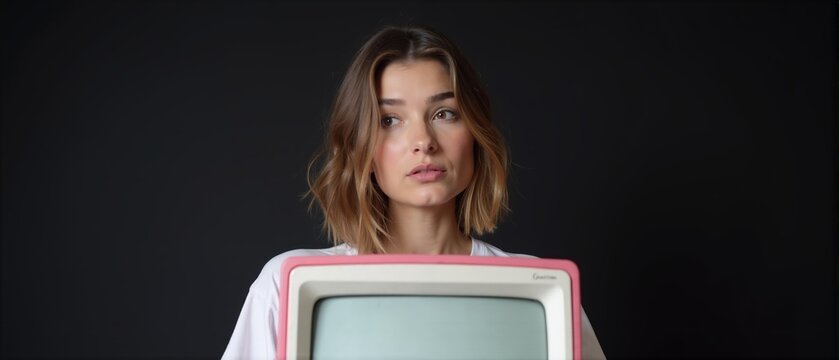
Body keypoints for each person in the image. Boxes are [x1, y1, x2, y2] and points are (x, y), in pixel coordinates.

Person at [222, 25, 606, 359]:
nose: (423, 141)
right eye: (390, 120)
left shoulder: (548, 295)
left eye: (444, 114)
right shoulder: (282, 284)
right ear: (361, 147)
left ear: (475, 133)